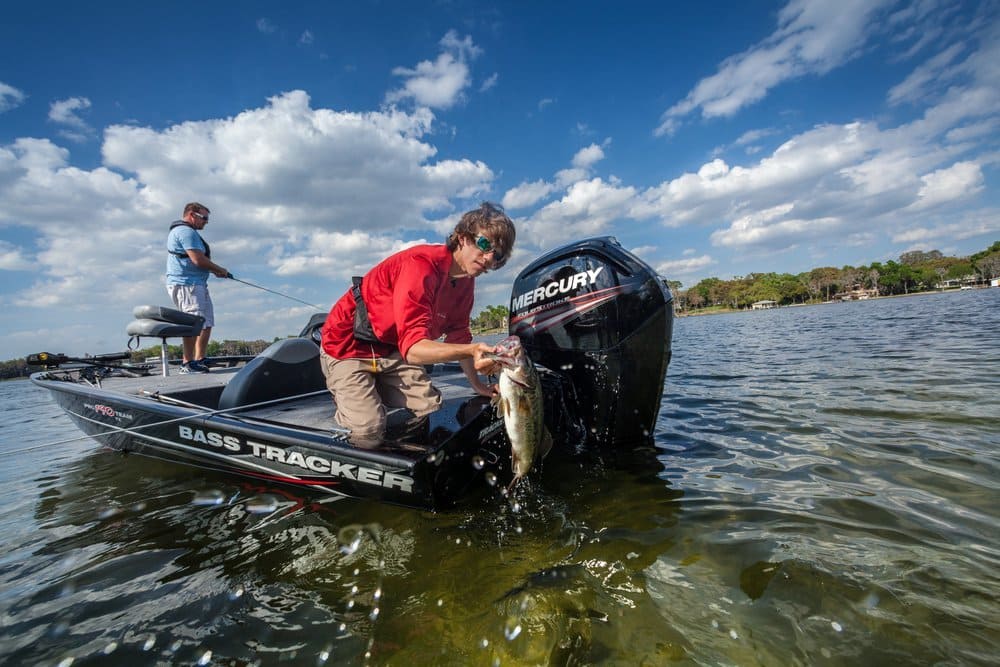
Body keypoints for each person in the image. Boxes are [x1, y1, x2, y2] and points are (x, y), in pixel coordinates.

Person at [319, 201, 516, 446]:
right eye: (484, 245)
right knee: (369, 429)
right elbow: (413, 350)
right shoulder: (420, 266)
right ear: (463, 238)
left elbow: (460, 337)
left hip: (391, 349)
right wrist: (473, 350)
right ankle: (349, 401)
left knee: (430, 407)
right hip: (347, 347)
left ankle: (412, 450)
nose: (488, 258)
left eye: (496, 256)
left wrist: (477, 386)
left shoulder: (465, 283)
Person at [165, 202, 229, 374]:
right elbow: (198, 260)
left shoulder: (189, 232)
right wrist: (219, 269)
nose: (206, 222)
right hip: (187, 285)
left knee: (206, 322)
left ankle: (200, 358)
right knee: (192, 323)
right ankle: (187, 363)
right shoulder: (185, 232)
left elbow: (198, 260)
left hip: (197, 284)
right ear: (192, 215)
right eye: (204, 218)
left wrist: (213, 271)